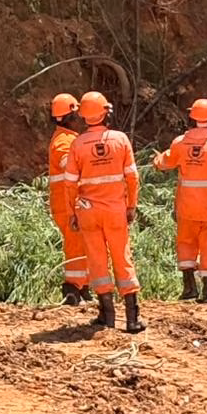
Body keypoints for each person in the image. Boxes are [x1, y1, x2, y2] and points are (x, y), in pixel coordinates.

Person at [64, 91, 146, 334]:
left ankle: (107, 317)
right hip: (115, 210)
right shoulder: (120, 140)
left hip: (88, 211)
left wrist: (72, 213)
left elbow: (69, 184)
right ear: (106, 112)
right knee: (122, 257)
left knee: (97, 260)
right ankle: (132, 318)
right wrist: (131, 206)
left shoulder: (77, 144)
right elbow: (132, 177)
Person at [153, 97, 207, 303]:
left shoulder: (180, 143)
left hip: (187, 207)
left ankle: (188, 289)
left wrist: (156, 161)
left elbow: (164, 162)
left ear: (191, 118)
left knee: (186, 244)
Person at [47, 92, 91, 306]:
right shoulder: (63, 142)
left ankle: (82, 287)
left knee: (83, 245)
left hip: (71, 202)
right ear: (69, 117)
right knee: (75, 246)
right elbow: (69, 166)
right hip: (66, 205)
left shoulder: (69, 139)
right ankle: (72, 289)